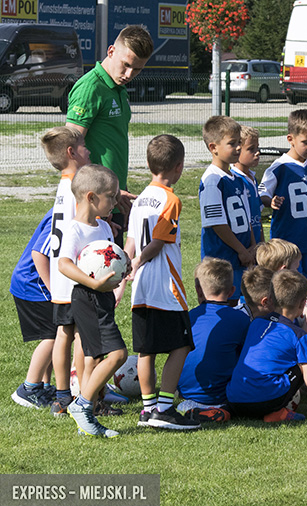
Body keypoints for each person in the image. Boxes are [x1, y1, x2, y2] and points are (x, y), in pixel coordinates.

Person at [125, 135, 200, 430]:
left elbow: (131, 240)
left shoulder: (141, 198)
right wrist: (139, 261)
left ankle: (147, 409)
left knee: (147, 350)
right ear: (179, 167)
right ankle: (165, 408)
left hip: (141, 287)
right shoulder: (171, 200)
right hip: (164, 286)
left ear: (148, 164)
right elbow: (156, 243)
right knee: (181, 345)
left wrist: (128, 269)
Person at [66, 25, 154, 246]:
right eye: (126, 65)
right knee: (95, 276)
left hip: (112, 199)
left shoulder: (118, 88)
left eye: (137, 69)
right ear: (111, 51)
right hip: (93, 203)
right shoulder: (90, 88)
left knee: (112, 276)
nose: (129, 75)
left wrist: (115, 193)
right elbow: (70, 153)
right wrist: (100, 194)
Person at [57, 165, 128, 437]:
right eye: (111, 196)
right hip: (87, 297)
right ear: (90, 197)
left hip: (103, 296)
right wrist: (93, 283)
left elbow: (110, 257)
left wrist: (124, 264)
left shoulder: (104, 227)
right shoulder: (74, 230)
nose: (115, 201)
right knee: (118, 354)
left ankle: (89, 417)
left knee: (93, 358)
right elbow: (64, 264)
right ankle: (83, 405)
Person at [227, 269, 307, 421]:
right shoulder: (301, 336)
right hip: (265, 402)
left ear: (271, 298)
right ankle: (278, 412)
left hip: (233, 398)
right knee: (301, 366)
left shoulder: (256, 323)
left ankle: (225, 412)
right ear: (304, 303)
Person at [43, 126, 93, 416]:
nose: (89, 150)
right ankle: (86, 396)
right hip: (74, 272)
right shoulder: (79, 187)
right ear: (72, 153)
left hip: (59, 271)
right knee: (83, 336)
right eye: (84, 146)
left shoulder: (64, 186)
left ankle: (62, 395)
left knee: (64, 332)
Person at [176, 259, 253, 420]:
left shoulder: (188, 318)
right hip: (222, 395)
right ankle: (223, 410)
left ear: (198, 290)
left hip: (185, 394)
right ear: (232, 291)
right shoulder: (240, 319)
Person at [259, 109, 307, 281]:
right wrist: (270, 201)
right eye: (306, 142)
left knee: (305, 284)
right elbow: (262, 192)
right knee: (286, 283)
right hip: (285, 238)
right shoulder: (279, 167)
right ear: (290, 139)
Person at [199, 115, 256, 305]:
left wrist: (252, 247)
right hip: (222, 259)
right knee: (224, 305)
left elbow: (247, 218)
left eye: (239, 142)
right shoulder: (212, 180)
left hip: (242, 257)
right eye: (232, 143)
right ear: (213, 148)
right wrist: (242, 250)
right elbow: (217, 223)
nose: (238, 148)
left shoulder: (237, 178)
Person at [10, 209, 56, 409]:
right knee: (55, 335)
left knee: (56, 332)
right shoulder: (61, 215)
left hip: (35, 282)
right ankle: (28, 388)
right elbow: (38, 254)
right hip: (33, 283)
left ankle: (43, 386)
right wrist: (52, 290)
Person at [231, 125, 264, 244]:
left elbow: (257, 217)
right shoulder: (233, 179)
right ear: (237, 150)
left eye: (257, 147)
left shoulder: (252, 177)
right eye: (251, 149)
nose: (257, 152)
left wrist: (261, 243)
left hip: (255, 246)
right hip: (242, 244)